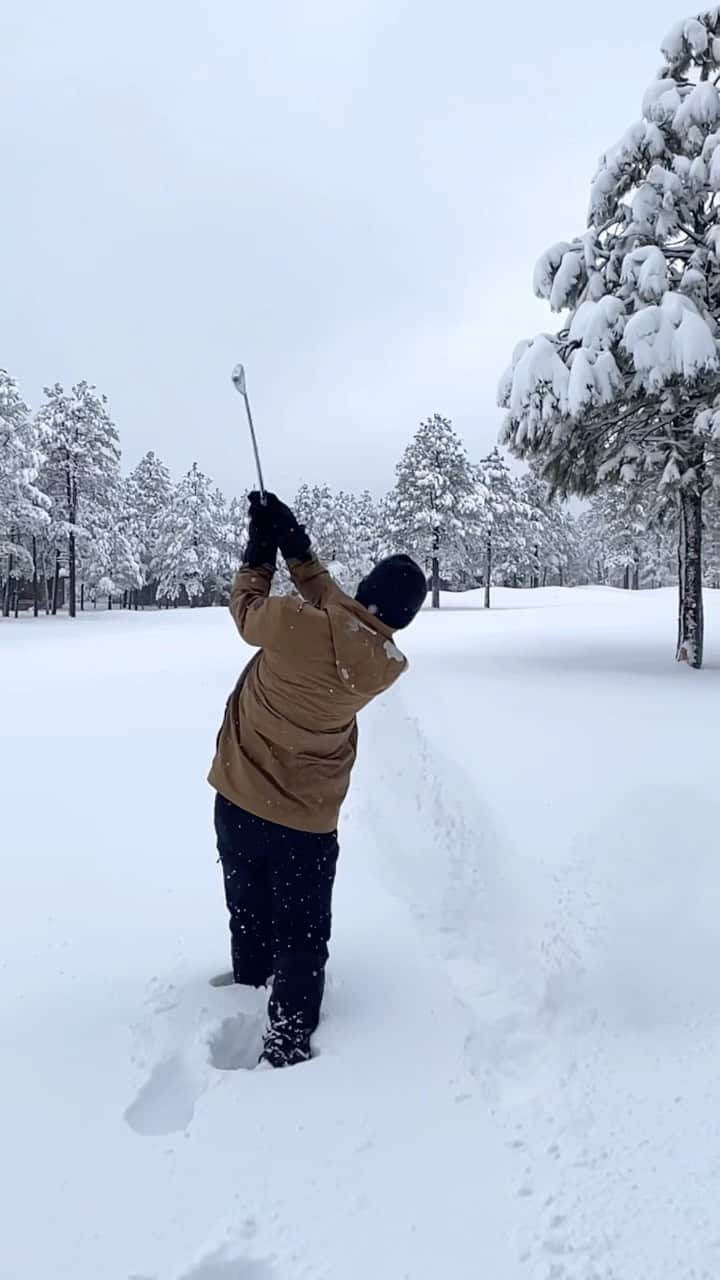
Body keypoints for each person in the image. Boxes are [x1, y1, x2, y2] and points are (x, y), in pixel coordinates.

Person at [208, 491, 427, 1067]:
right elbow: (342, 617)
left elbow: (247, 607)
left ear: (366, 591)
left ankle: (250, 984)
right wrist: (298, 545)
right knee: (303, 934)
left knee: (248, 909)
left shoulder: (290, 623)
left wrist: (261, 551)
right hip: (307, 823)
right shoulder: (384, 664)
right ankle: (288, 1036)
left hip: (238, 797)